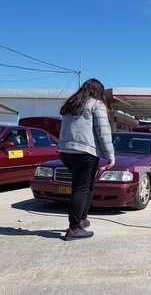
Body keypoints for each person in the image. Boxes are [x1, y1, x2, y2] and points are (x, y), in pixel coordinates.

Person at [58, 78, 115, 241]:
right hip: (85, 152)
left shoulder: (72, 104)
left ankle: (82, 219)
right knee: (81, 189)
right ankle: (74, 229)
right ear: (98, 92)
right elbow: (103, 132)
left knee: (87, 186)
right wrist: (110, 155)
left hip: (66, 152)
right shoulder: (96, 105)